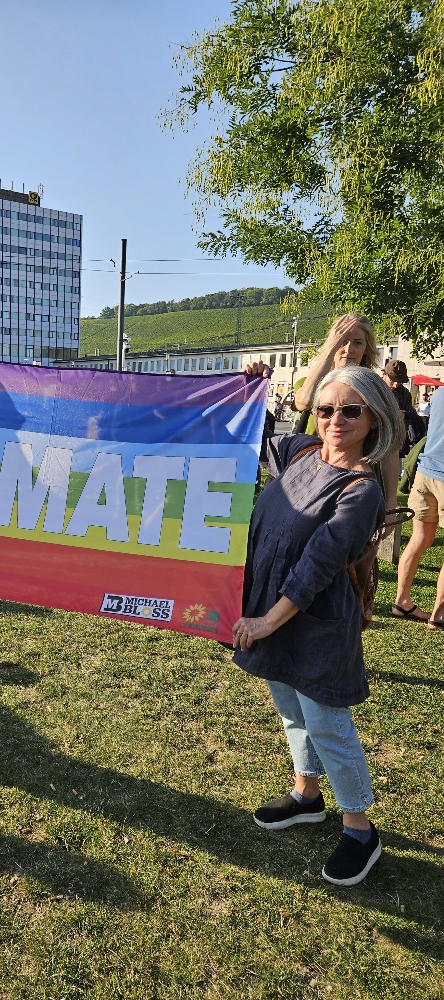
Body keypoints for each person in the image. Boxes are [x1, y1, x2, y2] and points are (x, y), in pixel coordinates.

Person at [233, 365, 403, 886]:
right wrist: (249, 386)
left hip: (314, 623)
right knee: (290, 711)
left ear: (374, 419)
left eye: (350, 410)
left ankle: (359, 828)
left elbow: (316, 568)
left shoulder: (361, 490)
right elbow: (248, 429)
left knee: (328, 725)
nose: (335, 419)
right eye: (327, 409)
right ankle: (306, 795)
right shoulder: (300, 452)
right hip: (270, 612)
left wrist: (266, 621)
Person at [292, 314, 399, 523]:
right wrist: (330, 348)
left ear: (366, 348)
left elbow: (390, 448)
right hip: (312, 478)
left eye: (357, 343)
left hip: (357, 484)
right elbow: (304, 401)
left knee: (355, 551)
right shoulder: (310, 383)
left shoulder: (375, 389)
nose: (349, 349)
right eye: (342, 341)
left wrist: (391, 502)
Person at [393, 385, 444, 629]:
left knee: (418, 539)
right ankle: (439, 615)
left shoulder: (440, 393)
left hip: (425, 473)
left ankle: (401, 601)